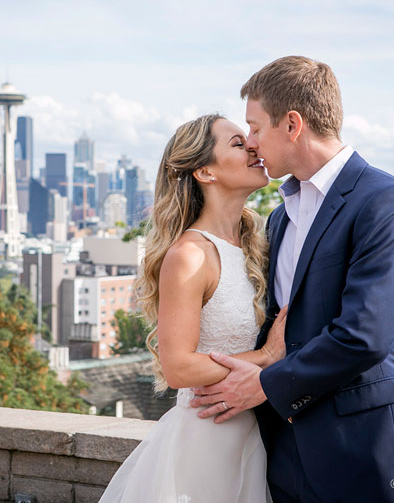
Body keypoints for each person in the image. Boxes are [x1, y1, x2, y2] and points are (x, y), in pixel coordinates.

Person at [190, 56, 394, 502]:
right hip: (279, 457)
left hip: (361, 453)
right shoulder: (279, 218)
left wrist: (263, 384)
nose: (253, 142)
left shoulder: (386, 202)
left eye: (256, 127)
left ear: (293, 124)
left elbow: (366, 335)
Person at [100, 114, 287, 502]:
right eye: (238, 143)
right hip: (206, 441)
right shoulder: (189, 255)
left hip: (255, 437)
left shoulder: (261, 241)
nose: (254, 145)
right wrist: (267, 356)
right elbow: (179, 367)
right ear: (205, 171)